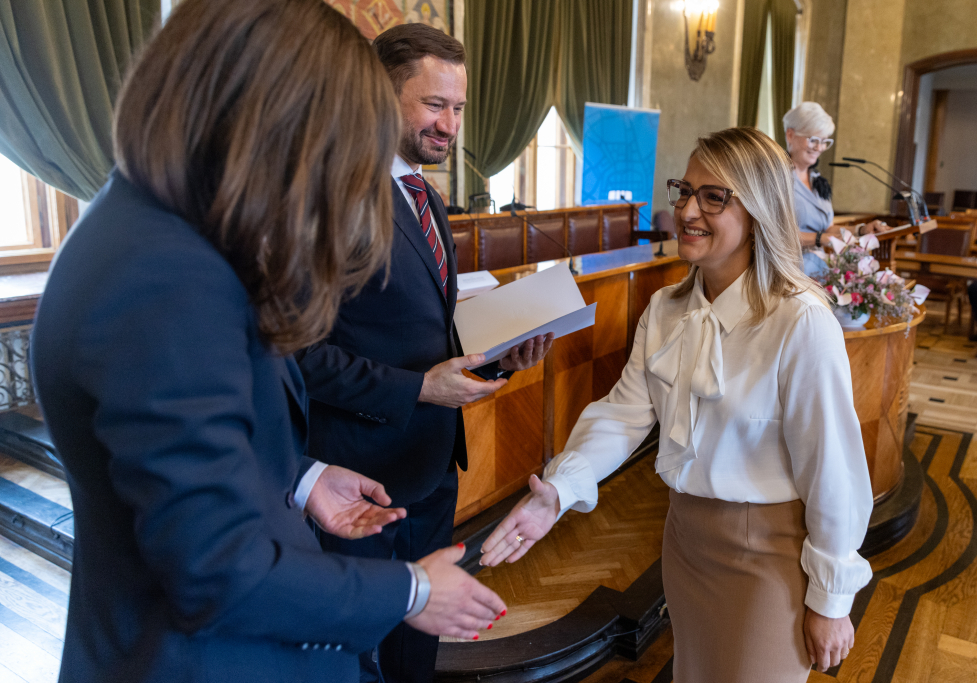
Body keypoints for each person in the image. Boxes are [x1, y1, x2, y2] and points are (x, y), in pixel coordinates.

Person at [31, 3, 504, 682]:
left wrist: (302, 478)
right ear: (274, 121)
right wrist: (413, 590)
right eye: (340, 144)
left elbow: (195, 447)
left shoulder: (167, 232)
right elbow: (215, 568)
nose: (342, 179)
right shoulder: (163, 274)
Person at [481, 128, 874, 682]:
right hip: (685, 542)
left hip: (769, 557)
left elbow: (832, 468)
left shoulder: (800, 321)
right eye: (685, 191)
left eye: (714, 197)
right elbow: (623, 414)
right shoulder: (666, 308)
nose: (687, 211)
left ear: (758, 211)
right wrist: (560, 491)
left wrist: (831, 598)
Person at [295, 23, 552, 683]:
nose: (450, 125)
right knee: (356, 656)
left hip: (434, 467)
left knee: (417, 654)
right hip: (358, 481)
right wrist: (417, 390)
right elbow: (298, 357)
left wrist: (499, 358)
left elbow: (429, 336)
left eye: (458, 107)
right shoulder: (332, 196)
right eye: (435, 104)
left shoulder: (426, 196)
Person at [783, 102, 886, 277]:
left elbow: (827, 229)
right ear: (790, 135)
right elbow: (773, 233)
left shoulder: (818, 182)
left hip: (818, 268)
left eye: (824, 141)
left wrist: (862, 230)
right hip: (788, 270)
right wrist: (818, 239)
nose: (820, 148)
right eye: (813, 140)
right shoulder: (776, 178)